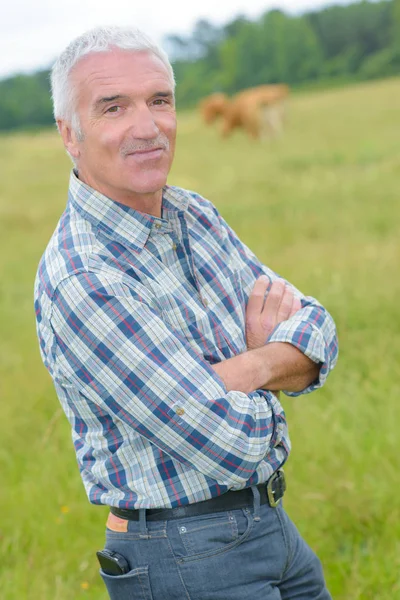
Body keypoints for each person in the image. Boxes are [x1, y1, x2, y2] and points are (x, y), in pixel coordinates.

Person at [34, 26, 338, 600]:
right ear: (69, 134)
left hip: (271, 523)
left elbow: (319, 330)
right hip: (183, 555)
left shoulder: (193, 214)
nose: (147, 127)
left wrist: (242, 370)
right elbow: (231, 443)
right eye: (113, 107)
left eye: (159, 100)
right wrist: (277, 360)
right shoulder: (85, 278)